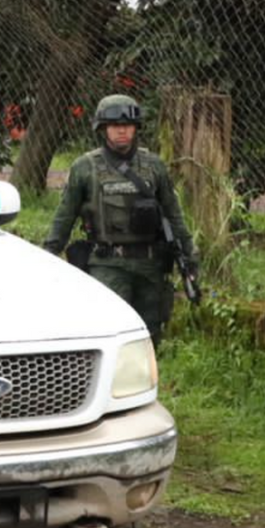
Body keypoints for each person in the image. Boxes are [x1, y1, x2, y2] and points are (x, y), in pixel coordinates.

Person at [41, 94, 197, 344]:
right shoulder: (85, 167)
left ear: (136, 128)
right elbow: (64, 216)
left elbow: (173, 213)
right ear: (103, 129)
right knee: (113, 333)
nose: (122, 130)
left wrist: (189, 257)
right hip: (108, 264)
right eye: (115, 126)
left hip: (150, 265)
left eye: (127, 125)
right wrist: (49, 256)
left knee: (150, 335)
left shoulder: (154, 166)